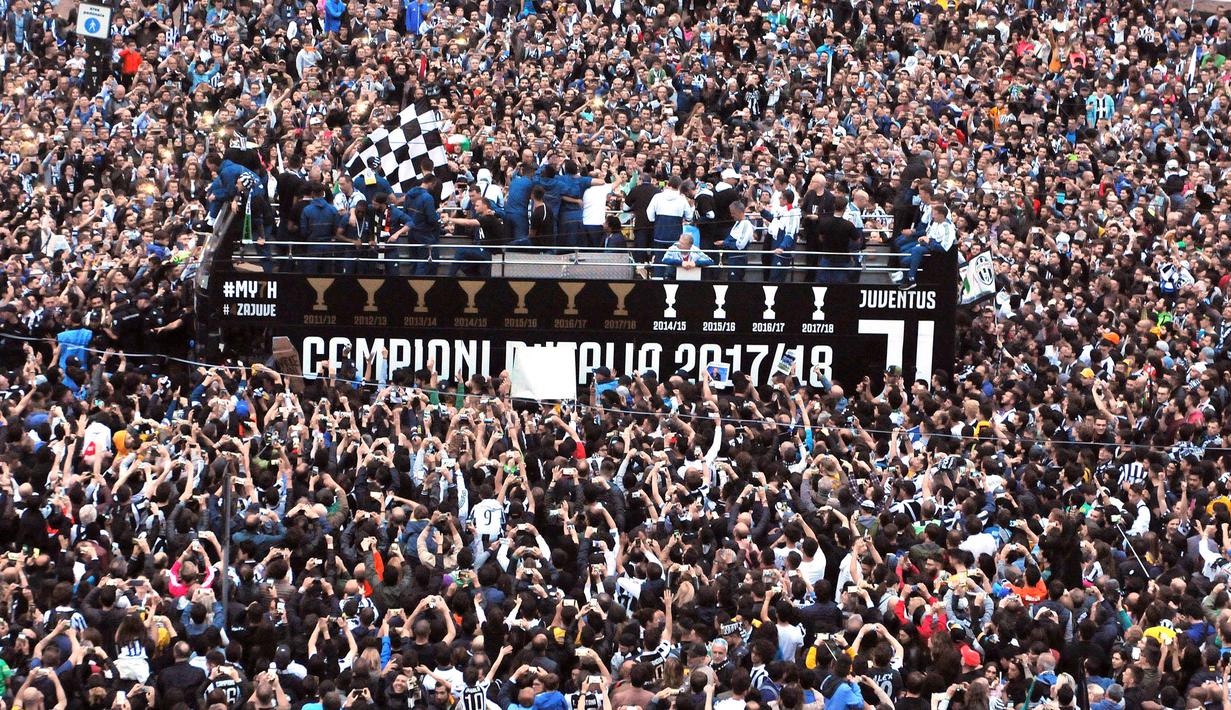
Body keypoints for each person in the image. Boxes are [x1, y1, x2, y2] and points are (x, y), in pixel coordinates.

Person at [645, 176, 694, 275]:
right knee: (675, 260)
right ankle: (672, 282)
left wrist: (655, 220)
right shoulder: (682, 199)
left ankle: (658, 281)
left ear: (668, 184)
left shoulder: (657, 197)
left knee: (659, 260)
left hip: (659, 234)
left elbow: (650, 215)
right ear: (679, 186)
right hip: (675, 236)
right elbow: (689, 216)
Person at [815, 196, 860, 285]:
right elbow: (857, 241)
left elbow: (820, 237)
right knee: (840, 287)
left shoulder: (824, 222)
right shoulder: (848, 225)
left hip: (827, 257)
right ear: (845, 208)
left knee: (823, 285)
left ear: (834, 206)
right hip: (843, 258)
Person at [721, 200, 755, 281]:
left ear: (740, 212)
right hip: (732, 258)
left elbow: (740, 245)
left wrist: (724, 243)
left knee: (735, 282)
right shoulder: (737, 223)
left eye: (733, 213)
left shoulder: (746, 224)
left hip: (738, 259)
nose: (732, 215)